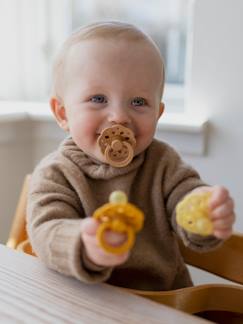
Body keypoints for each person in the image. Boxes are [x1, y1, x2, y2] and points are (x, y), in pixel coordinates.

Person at [27, 21, 235, 291]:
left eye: (138, 102)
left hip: (162, 303)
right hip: (84, 302)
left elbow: (186, 197)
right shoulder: (56, 173)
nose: (119, 117)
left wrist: (204, 211)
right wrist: (82, 243)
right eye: (98, 99)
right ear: (63, 113)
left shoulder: (163, 163)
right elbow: (46, 231)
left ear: (157, 114)